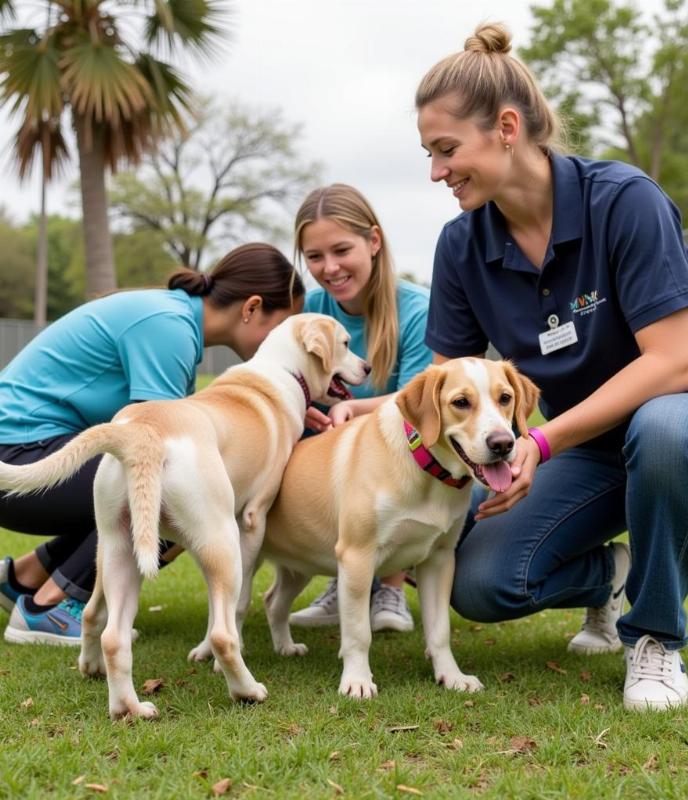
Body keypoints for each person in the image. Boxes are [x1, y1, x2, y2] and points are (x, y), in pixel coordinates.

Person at [414, 23, 688, 711]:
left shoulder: (623, 201)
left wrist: (541, 440)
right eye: (430, 155)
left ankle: (657, 639)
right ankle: (611, 572)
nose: (437, 172)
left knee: (664, 428)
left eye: (446, 150)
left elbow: (671, 366)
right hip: (594, 453)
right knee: (479, 582)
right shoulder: (460, 247)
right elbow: (447, 393)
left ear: (508, 127)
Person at [0, 243, 304, 645]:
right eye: (282, 327)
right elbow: (152, 449)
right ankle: (51, 607)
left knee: (163, 480)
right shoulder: (170, 328)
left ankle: (23, 578)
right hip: (19, 464)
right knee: (177, 483)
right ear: (251, 308)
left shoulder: (173, 318)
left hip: (27, 456)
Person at [287, 183, 432, 633]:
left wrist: (354, 410)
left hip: (405, 452)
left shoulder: (417, 310)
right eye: (314, 256)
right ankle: (345, 577)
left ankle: (389, 586)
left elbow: (421, 401)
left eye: (341, 250)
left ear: (373, 241)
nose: (329, 268)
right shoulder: (311, 309)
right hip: (325, 448)